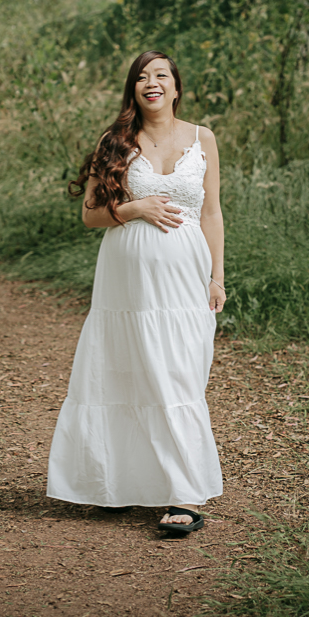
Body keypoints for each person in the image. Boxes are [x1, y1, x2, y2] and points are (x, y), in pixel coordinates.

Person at [46, 50, 226, 536]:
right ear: (134, 89)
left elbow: (211, 213)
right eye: (142, 77)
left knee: (180, 374)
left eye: (161, 75)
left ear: (176, 86)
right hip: (127, 282)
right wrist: (137, 208)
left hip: (186, 277)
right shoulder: (116, 142)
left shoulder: (202, 138)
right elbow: (90, 214)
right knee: (125, 372)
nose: (152, 83)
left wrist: (217, 277)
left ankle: (184, 491)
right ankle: (122, 484)